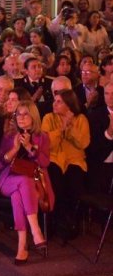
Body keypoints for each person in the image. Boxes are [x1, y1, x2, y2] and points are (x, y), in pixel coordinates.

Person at [0, 100, 52, 264]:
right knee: (23, 183)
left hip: (34, 183)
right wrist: (14, 149)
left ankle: (22, 245)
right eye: (18, 114)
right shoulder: (9, 136)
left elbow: (45, 163)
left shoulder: (42, 137)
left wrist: (29, 147)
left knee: (18, 195)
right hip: (8, 180)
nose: (21, 117)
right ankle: (36, 230)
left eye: (26, 114)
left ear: (33, 117)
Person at [42, 89, 90, 239]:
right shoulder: (48, 118)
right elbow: (45, 144)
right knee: (56, 184)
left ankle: (69, 221)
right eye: (54, 101)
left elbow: (83, 143)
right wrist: (61, 129)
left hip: (74, 160)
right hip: (54, 158)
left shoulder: (81, 119)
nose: (54, 104)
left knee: (75, 184)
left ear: (69, 104)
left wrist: (71, 127)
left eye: (59, 102)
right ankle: (62, 222)